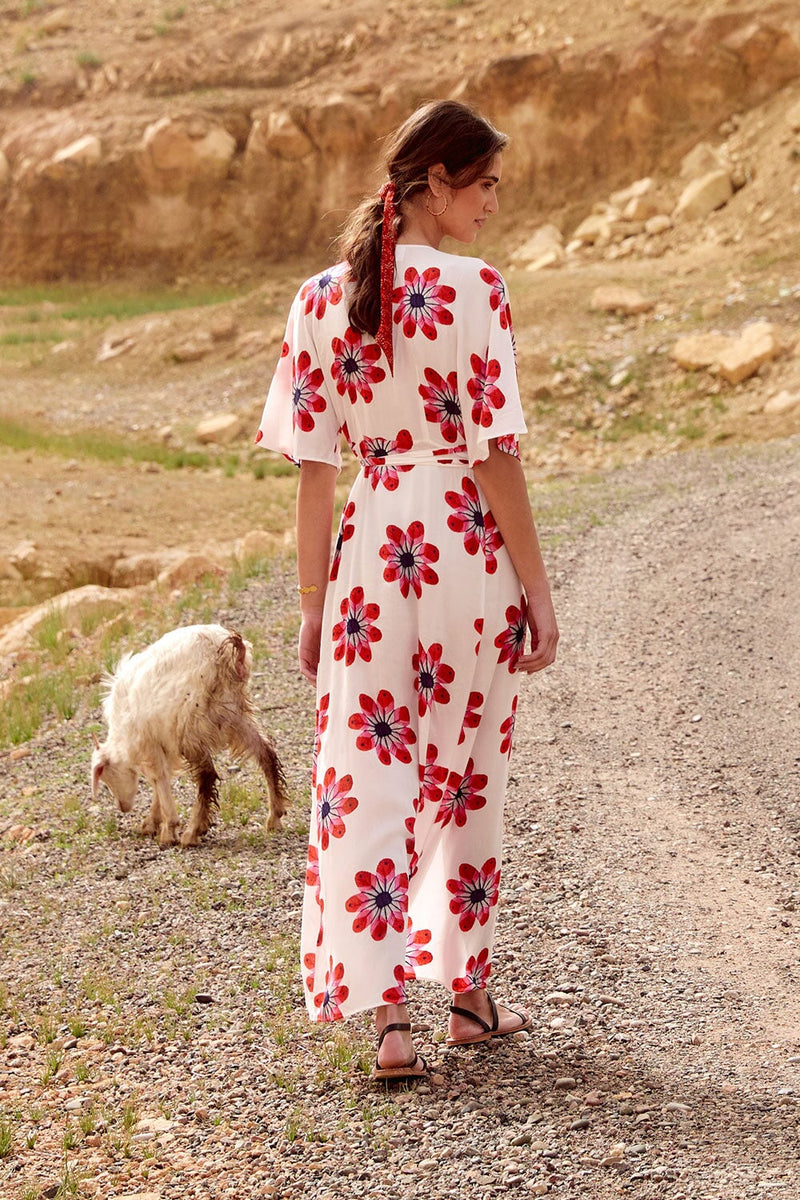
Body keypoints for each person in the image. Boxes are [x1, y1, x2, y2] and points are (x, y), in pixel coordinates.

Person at [255, 99, 558, 1080]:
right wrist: (537, 590)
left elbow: (311, 468)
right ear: (433, 182)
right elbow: (494, 459)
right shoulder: (476, 291)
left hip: (366, 555)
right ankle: (466, 994)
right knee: (467, 765)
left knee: (367, 779)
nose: (493, 206)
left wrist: (309, 604)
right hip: (462, 552)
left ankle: (391, 1023)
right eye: (484, 186)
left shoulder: (317, 300)